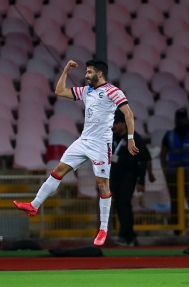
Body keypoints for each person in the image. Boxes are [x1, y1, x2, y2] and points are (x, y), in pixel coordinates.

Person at [13, 59, 138, 246]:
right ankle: (34, 205)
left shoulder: (113, 91)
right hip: (83, 141)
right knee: (58, 170)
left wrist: (130, 138)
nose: (86, 75)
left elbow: (128, 113)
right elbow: (59, 91)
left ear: (100, 74)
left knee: (103, 185)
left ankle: (103, 229)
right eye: (86, 72)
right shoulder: (86, 91)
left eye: (89, 72)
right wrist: (65, 70)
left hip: (101, 145)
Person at [110, 109, 155, 246]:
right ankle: (131, 236)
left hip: (129, 176)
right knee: (120, 205)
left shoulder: (134, 138)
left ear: (124, 124)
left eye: (117, 123)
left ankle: (124, 235)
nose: (114, 126)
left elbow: (144, 159)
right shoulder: (111, 138)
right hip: (114, 177)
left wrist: (142, 180)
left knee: (123, 203)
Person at [160, 108, 189, 236]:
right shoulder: (169, 135)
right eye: (179, 117)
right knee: (175, 202)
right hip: (173, 174)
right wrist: (165, 171)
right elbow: (163, 155)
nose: (181, 120)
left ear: (187, 118)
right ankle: (177, 230)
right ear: (175, 119)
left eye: (183, 117)